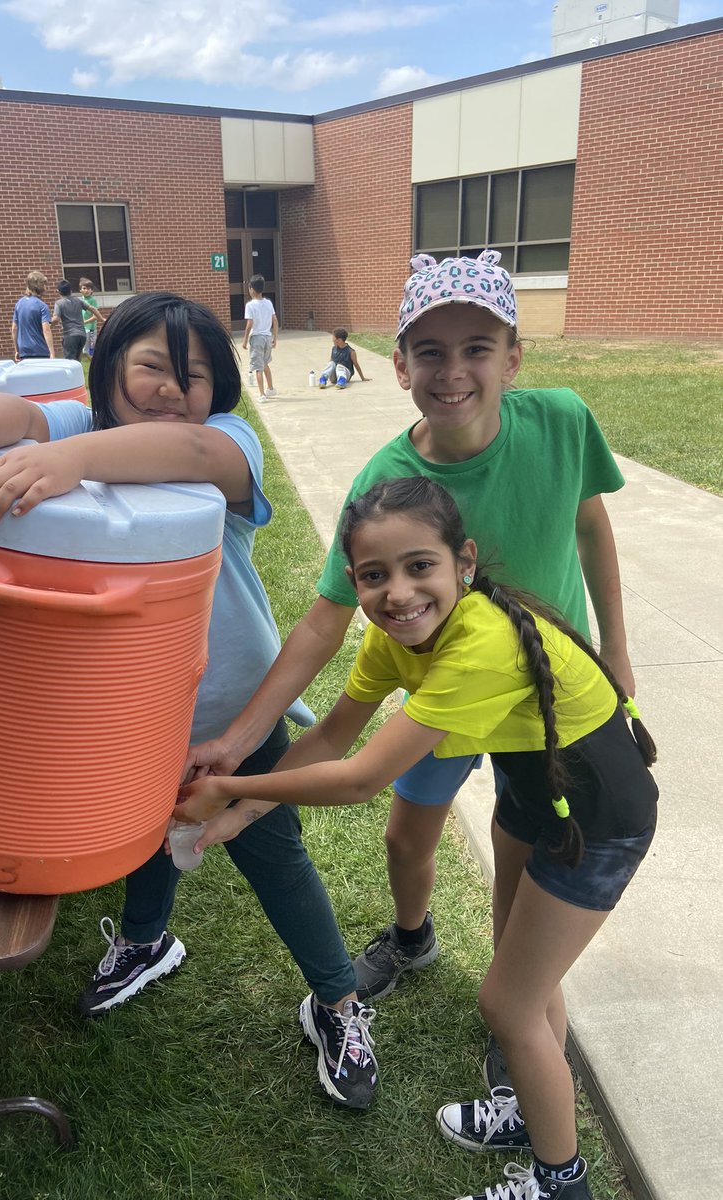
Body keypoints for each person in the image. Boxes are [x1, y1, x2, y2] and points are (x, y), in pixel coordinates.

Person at [0, 291, 378, 1112]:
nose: (171, 387)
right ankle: (147, 941)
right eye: (153, 365)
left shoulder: (225, 440)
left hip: (231, 714)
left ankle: (337, 1001)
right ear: (110, 367)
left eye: (195, 375)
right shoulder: (86, 422)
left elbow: (187, 448)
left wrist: (67, 462)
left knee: (274, 857)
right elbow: (18, 409)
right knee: (141, 832)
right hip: (125, 718)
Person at [186, 250, 635, 1029]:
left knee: (522, 858)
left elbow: (592, 526)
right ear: (398, 365)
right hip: (444, 694)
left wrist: (617, 649)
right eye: (430, 351)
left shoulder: (563, 420)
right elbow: (326, 620)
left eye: (476, 348)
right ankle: (411, 937)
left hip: (540, 695)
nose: (452, 371)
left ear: (513, 358)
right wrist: (238, 740)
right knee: (404, 838)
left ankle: (519, 1029)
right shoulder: (384, 484)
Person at [177, 474, 658, 1200]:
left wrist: (237, 788)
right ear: (354, 581)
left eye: (418, 567)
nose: (397, 593)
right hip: (536, 795)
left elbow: (361, 777)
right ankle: (535, 1114)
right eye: (374, 576)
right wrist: (238, 810)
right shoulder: (393, 640)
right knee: (524, 977)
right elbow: (334, 737)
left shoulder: (481, 643)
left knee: (509, 1004)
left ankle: (562, 1185)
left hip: (599, 819)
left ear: (463, 560)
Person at [242, 274, 277, 402]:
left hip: (256, 338)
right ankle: (271, 388)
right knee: (265, 363)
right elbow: (275, 320)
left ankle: (262, 394)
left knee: (258, 367)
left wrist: (245, 340)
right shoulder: (268, 303)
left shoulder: (250, 305)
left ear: (251, 288)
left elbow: (249, 324)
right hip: (268, 337)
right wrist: (275, 337)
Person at [51, 279, 102, 360]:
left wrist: (49, 327)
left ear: (58, 291)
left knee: (70, 361)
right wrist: (101, 319)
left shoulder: (59, 303)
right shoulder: (78, 300)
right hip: (82, 335)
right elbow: (92, 309)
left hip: (70, 335)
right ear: (71, 291)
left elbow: (56, 319)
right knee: (78, 361)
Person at [12, 271, 54, 361]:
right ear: (38, 286)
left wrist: (17, 350)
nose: (46, 288)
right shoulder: (42, 306)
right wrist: (52, 353)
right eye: (44, 285)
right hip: (40, 351)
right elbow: (46, 330)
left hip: (24, 352)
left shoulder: (18, 304)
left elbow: (14, 328)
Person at [79, 277, 100, 357]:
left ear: (92, 290)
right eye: (84, 288)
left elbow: (95, 316)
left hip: (91, 328)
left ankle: (92, 360)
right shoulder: (80, 300)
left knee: (91, 347)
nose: (86, 290)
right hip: (82, 327)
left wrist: (85, 322)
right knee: (84, 348)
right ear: (80, 290)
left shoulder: (92, 300)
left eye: (89, 288)